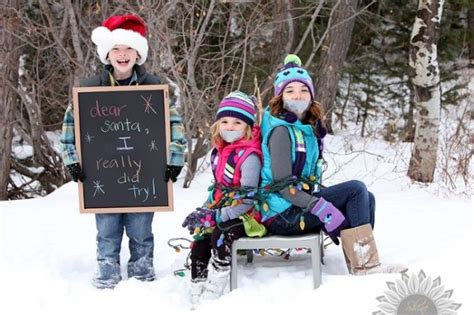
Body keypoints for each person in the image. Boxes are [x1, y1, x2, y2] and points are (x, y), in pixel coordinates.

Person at [59, 14, 186, 289]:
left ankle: (142, 269)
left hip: (146, 176)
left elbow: (175, 126)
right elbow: (70, 128)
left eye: (128, 49)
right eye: (116, 49)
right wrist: (72, 161)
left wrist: (174, 161)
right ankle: (107, 269)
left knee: (141, 229)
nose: (122, 54)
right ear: (107, 54)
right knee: (107, 230)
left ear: (138, 53)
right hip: (102, 178)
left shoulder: (153, 88)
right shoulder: (90, 90)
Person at [259, 54, 407, 275]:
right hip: (280, 214)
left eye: (303, 90)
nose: (297, 95)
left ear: (311, 95)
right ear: (280, 98)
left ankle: (361, 261)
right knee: (356, 190)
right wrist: (319, 206)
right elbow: (282, 186)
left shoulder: (304, 128)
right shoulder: (280, 131)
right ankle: (364, 265)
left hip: (294, 204)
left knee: (368, 197)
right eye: (290, 91)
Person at [181, 91, 262, 305]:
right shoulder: (221, 151)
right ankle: (197, 281)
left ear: (247, 127)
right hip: (223, 208)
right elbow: (218, 190)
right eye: (224, 121)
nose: (229, 127)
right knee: (201, 236)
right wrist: (204, 211)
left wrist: (218, 216)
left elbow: (247, 200)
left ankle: (217, 280)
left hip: (247, 215)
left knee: (220, 233)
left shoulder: (249, 157)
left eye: (237, 122)